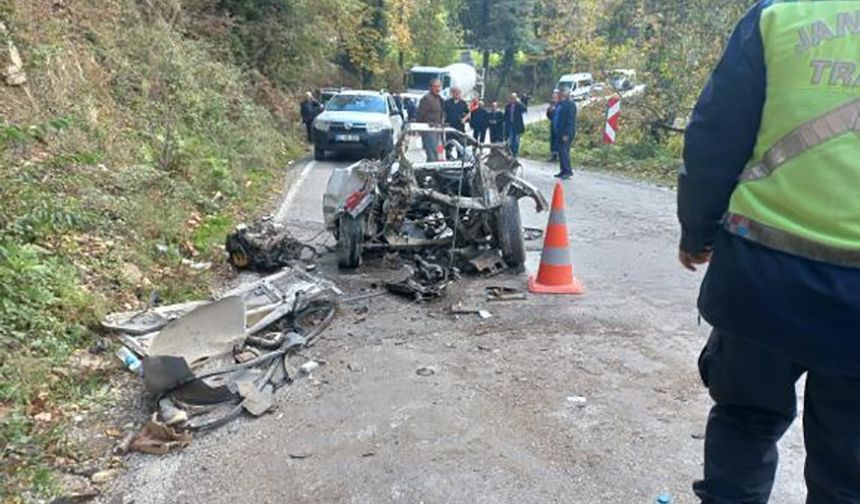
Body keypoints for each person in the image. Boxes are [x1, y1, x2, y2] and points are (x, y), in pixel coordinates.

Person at [679, 2, 860, 502]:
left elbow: (715, 134)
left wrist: (697, 231)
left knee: (744, 424)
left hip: (763, 273)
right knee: (848, 471)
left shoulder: (779, 16)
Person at [416, 79, 445, 161]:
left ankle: (438, 169)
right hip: (429, 130)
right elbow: (420, 115)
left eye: (439, 86)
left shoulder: (440, 99)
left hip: (439, 130)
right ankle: (432, 170)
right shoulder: (426, 99)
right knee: (432, 153)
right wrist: (419, 128)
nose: (437, 89)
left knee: (440, 152)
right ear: (430, 88)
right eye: (435, 86)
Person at [553, 89, 576, 179]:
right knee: (561, 152)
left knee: (564, 152)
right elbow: (554, 117)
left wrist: (567, 133)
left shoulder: (570, 105)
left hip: (565, 133)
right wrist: (550, 111)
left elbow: (570, 121)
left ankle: (568, 171)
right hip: (559, 132)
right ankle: (563, 170)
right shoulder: (559, 104)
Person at [545, 90, 561, 161]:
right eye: (553, 95)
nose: (554, 96)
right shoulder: (552, 103)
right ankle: (553, 155)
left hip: (560, 125)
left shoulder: (561, 104)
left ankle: (560, 155)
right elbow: (549, 116)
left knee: (559, 140)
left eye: (555, 95)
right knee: (553, 140)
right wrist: (549, 111)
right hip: (553, 124)